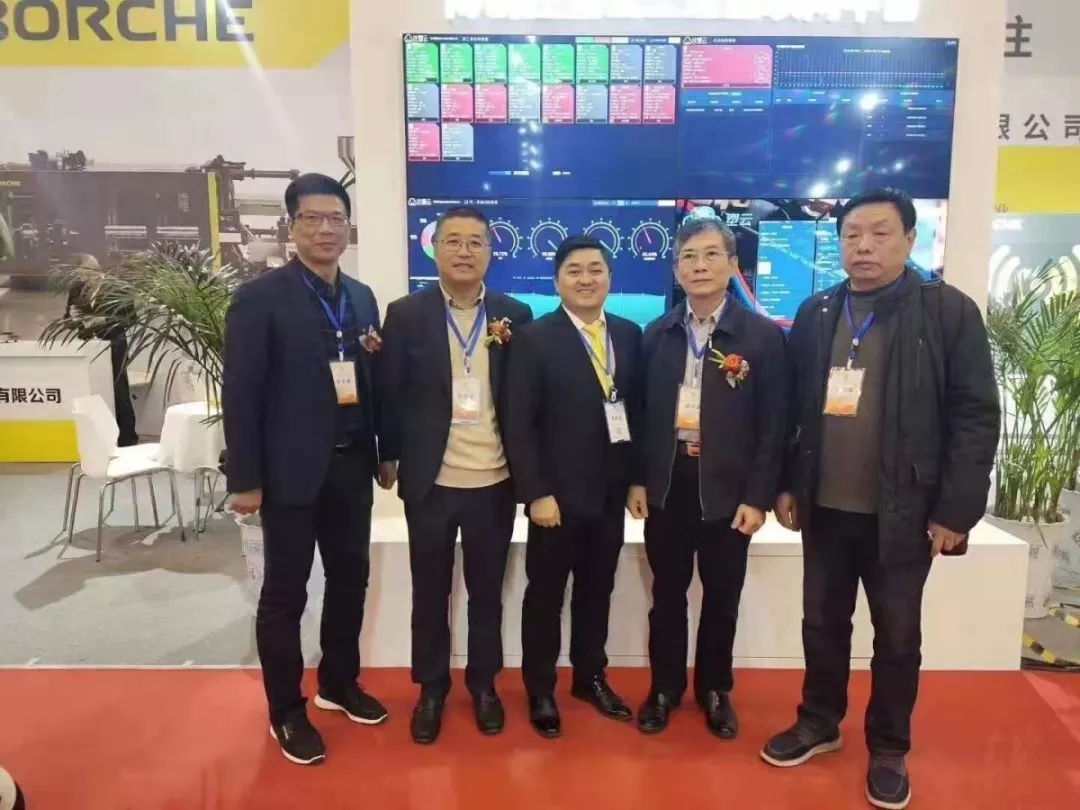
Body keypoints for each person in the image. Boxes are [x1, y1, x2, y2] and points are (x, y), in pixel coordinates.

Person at [760, 188, 1000, 810]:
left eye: (880, 233)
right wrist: (786, 483)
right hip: (825, 506)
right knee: (821, 624)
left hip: (905, 513)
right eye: (852, 234)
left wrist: (955, 510)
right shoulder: (817, 311)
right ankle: (819, 720)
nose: (863, 246)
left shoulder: (946, 311)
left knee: (896, 636)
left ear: (910, 239)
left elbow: (976, 416)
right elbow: (792, 410)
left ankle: (889, 746)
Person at [222, 173, 395, 766]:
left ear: (348, 226)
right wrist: (245, 479)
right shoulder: (260, 298)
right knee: (285, 594)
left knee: (350, 581)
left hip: (351, 467)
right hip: (288, 474)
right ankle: (286, 711)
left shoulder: (363, 298)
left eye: (335, 218)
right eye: (312, 219)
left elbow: (372, 382)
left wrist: (386, 450)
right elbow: (240, 394)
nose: (325, 229)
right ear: (291, 226)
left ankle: (338, 684)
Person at [378, 206, 533, 744]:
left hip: (494, 480)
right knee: (430, 594)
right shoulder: (406, 314)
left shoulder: (515, 314)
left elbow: (524, 402)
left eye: (475, 242)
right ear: (435, 248)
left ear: (490, 251)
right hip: (431, 482)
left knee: (487, 595)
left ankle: (485, 686)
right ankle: (431, 689)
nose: (464, 251)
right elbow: (390, 392)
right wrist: (389, 454)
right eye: (453, 241)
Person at [632, 214, 787, 739]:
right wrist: (639, 480)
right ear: (676, 269)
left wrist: (758, 497)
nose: (699, 266)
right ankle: (664, 688)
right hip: (669, 486)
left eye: (711, 255)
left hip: (728, 491)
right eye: (689, 257)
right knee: (667, 597)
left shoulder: (761, 337)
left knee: (722, 599)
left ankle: (716, 690)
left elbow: (775, 425)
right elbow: (641, 417)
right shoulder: (657, 334)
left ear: (732, 264)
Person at [506, 235, 643, 738]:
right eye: (574, 271)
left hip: (609, 494)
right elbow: (519, 423)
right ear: (557, 280)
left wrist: (636, 480)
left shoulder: (628, 334)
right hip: (555, 500)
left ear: (610, 277)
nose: (586, 279)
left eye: (595, 270)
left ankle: (590, 677)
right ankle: (541, 689)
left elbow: (638, 412)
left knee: (597, 590)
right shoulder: (534, 339)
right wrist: (535, 493)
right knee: (545, 595)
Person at [65, 254, 139, 446]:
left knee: (118, 388)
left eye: (89, 271)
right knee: (93, 389)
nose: (86, 277)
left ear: (96, 267)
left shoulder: (116, 287)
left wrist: (103, 320)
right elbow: (68, 320)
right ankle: (100, 436)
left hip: (114, 344)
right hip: (89, 347)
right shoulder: (76, 289)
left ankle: (127, 437)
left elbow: (131, 318)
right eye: (81, 274)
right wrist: (73, 318)